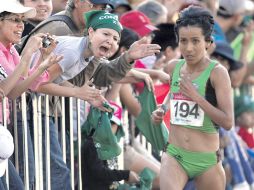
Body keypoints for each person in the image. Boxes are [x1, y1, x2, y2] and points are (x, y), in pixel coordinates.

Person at [151, 5, 233, 190]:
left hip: (206, 161)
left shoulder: (218, 74)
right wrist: (162, 109)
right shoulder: (174, 67)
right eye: (183, 41)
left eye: (195, 41)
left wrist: (197, 97)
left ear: (208, 42)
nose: (189, 48)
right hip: (175, 154)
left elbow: (228, 122)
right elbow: (173, 94)